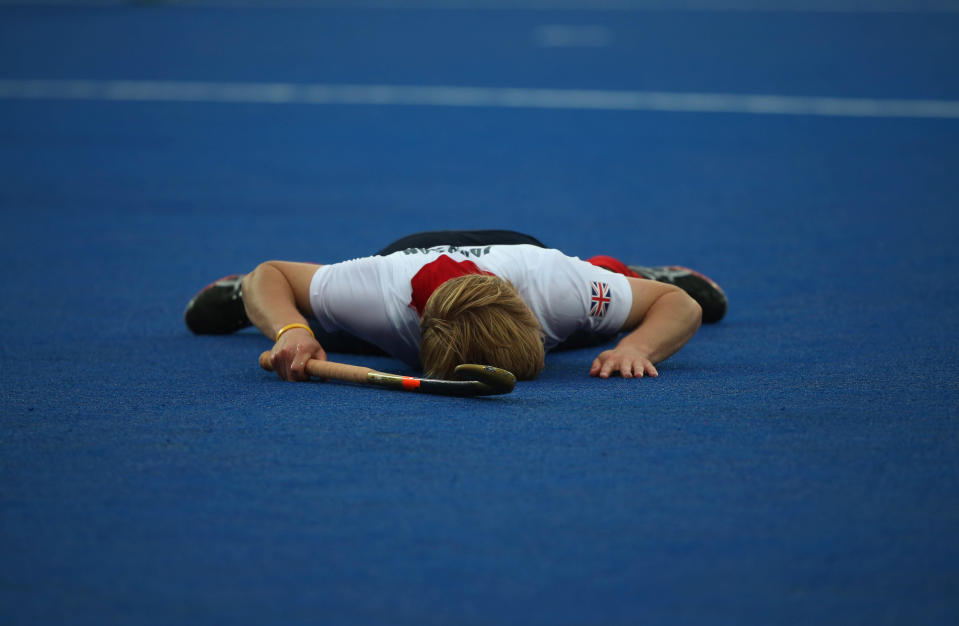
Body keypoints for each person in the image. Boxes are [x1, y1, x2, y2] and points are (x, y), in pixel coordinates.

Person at [184, 230, 726, 382]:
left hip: (526, 259)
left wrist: (636, 345)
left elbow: (680, 306)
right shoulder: (374, 295)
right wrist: (288, 330)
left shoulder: (556, 288)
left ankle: (627, 275)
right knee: (322, 327)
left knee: (598, 330)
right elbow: (271, 272)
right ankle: (245, 305)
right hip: (404, 271)